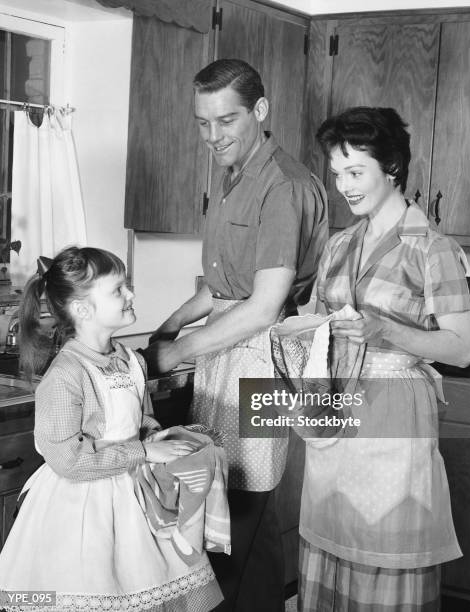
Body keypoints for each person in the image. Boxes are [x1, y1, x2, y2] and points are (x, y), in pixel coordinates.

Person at [146, 59, 329, 611]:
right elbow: (223, 287)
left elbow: (262, 307)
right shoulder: (234, 177)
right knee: (241, 511)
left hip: (260, 358)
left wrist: (176, 351)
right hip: (226, 352)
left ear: (261, 111)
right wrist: (169, 324)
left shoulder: (283, 186)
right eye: (202, 123)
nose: (212, 136)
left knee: (237, 514)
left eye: (225, 121)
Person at [296, 106, 470, 611]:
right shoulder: (338, 244)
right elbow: (317, 317)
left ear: (391, 167)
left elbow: (460, 348)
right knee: (333, 531)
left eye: (356, 172)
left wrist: (384, 329)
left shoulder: (430, 248)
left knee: (387, 535)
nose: (344, 186)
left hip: (395, 409)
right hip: (335, 407)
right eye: (337, 174)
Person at [0, 246, 223, 612]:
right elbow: (67, 461)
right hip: (81, 508)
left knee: (146, 586)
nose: (131, 294)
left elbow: (138, 419)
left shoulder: (131, 360)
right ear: (83, 309)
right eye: (118, 289)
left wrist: (155, 436)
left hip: (136, 496)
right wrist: (145, 452)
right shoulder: (65, 376)